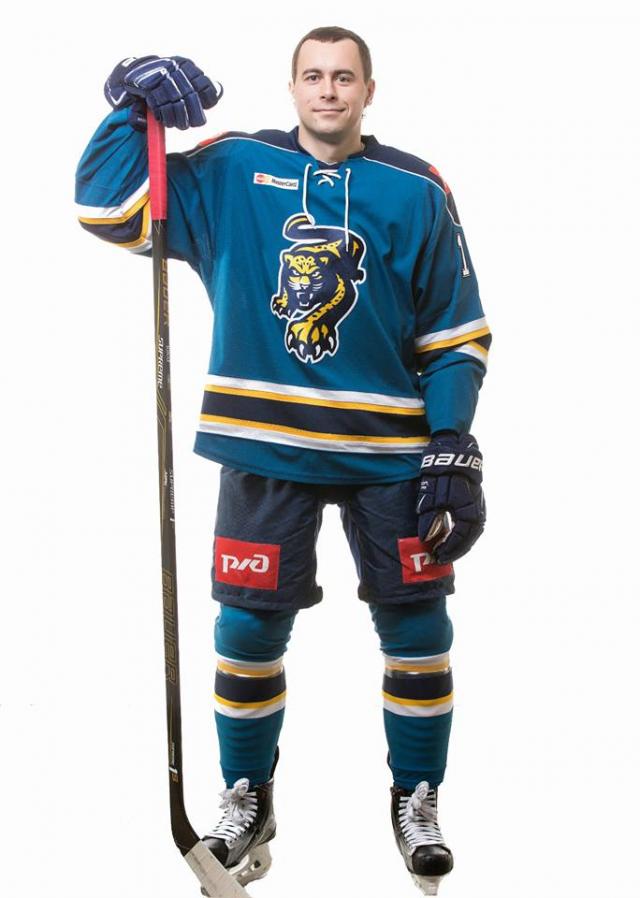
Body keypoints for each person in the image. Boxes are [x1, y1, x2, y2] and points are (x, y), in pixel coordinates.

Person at [75, 26, 490, 896]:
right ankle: (248, 797)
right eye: (313, 75)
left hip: (389, 450)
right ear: (292, 86)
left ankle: (417, 796)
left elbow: (455, 331)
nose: (328, 90)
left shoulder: (416, 187)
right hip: (264, 444)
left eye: (344, 77)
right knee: (247, 632)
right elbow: (110, 209)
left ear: (369, 90)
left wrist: (453, 442)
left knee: (418, 631)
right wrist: (131, 110)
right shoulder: (234, 168)